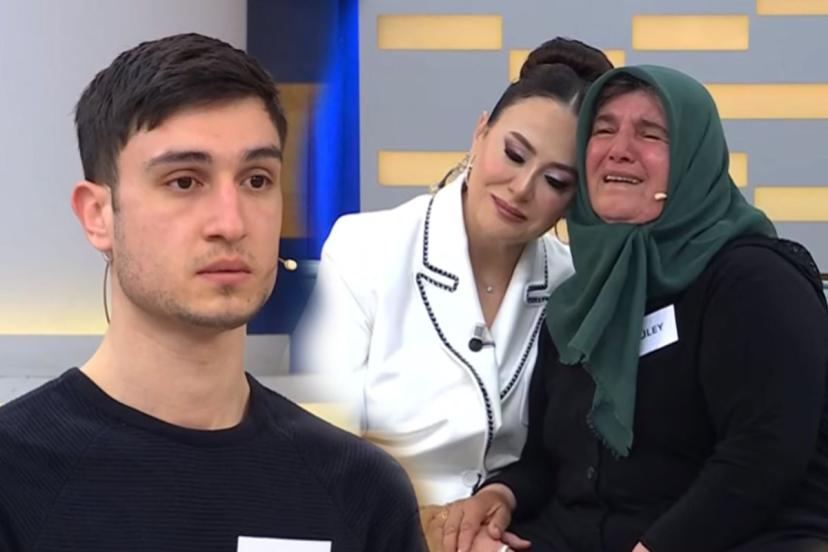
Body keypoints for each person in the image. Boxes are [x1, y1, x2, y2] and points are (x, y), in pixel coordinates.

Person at [0, 33, 425, 552]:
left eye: (256, 180)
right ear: (98, 215)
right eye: (184, 181)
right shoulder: (15, 477)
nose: (231, 223)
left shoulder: (359, 488)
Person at [440, 65, 828, 552]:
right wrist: (500, 497)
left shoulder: (752, 279)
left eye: (650, 134)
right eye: (603, 130)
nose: (619, 148)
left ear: (693, 159)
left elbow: (763, 455)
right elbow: (550, 462)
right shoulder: (580, 299)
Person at [298, 36, 611, 538]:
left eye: (555, 181)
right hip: (374, 527)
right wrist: (426, 528)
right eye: (514, 154)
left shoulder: (572, 283)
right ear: (480, 133)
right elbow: (321, 448)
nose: (521, 189)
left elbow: (564, 460)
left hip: (514, 530)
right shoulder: (365, 248)